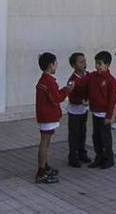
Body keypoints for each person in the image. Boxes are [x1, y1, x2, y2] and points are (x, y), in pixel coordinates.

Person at [72, 51, 116, 170]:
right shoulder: (92, 76)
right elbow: (82, 85)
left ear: (107, 65)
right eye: (96, 63)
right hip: (95, 112)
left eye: (100, 64)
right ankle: (99, 157)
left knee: (105, 138)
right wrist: (73, 87)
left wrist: (109, 116)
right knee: (96, 137)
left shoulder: (111, 81)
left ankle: (108, 159)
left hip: (104, 114)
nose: (97, 66)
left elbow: (112, 100)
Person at [34, 52, 74, 184]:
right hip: (47, 116)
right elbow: (56, 98)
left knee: (46, 142)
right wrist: (67, 90)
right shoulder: (49, 81)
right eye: (55, 64)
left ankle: (44, 166)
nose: (56, 66)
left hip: (45, 116)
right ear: (50, 65)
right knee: (44, 143)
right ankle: (41, 171)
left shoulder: (44, 79)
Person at [66, 52, 91, 167]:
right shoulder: (72, 80)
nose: (84, 64)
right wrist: (81, 101)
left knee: (82, 132)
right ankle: (73, 156)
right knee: (74, 133)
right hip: (74, 111)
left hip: (84, 110)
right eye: (81, 62)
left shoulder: (88, 75)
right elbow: (71, 97)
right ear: (74, 65)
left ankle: (82, 152)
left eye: (84, 61)